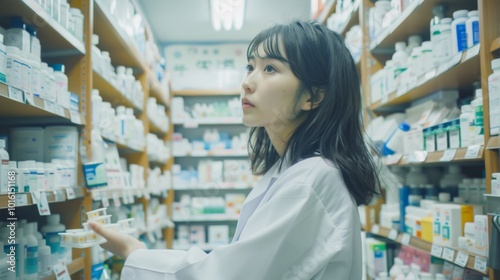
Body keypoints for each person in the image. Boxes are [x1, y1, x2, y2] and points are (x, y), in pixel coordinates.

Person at [89, 19, 381, 280]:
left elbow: (227, 275)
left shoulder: (311, 181)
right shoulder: (294, 171)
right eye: (250, 67)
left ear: (313, 96)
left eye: (270, 68)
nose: (247, 83)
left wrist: (135, 252)